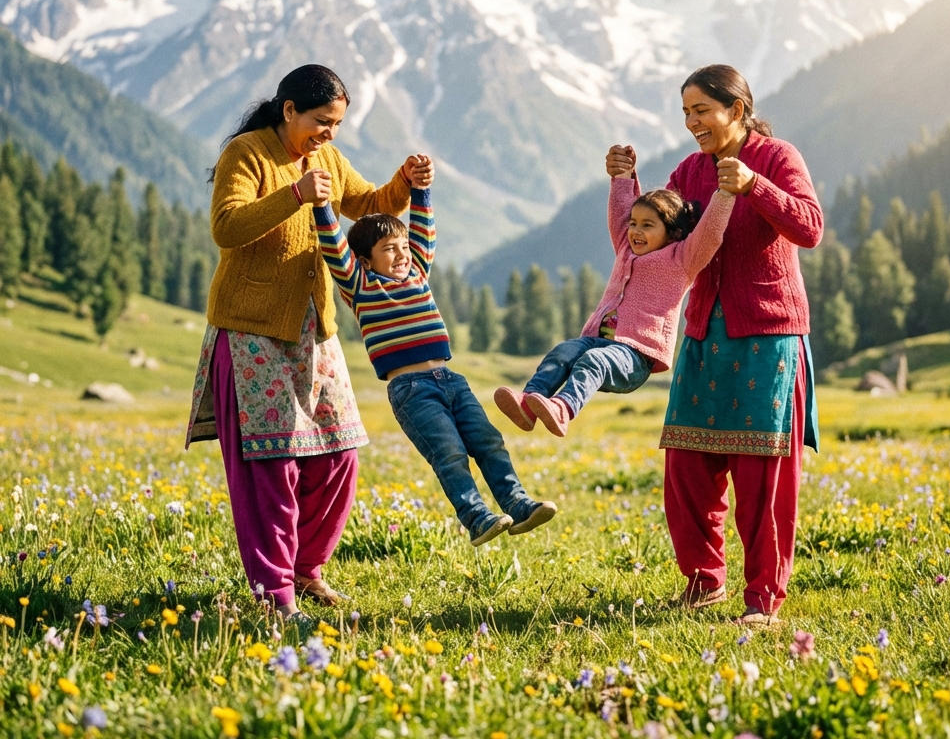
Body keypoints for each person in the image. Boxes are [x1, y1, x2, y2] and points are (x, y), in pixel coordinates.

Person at [186, 63, 432, 624]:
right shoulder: (246, 154)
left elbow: (368, 204)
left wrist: (406, 182)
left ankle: (304, 567)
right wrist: (294, 194)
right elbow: (226, 227)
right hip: (251, 329)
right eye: (323, 122)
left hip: (314, 327)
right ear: (289, 109)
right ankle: (274, 595)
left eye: (338, 125)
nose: (330, 134)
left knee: (339, 454)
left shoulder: (324, 156)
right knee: (272, 464)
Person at [606, 64, 822, 626]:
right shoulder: (688, 172)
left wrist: (754, 185)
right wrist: (625, 186)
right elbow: (648, 244)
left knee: (761, 474)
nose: (692, 122)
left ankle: (763, 599)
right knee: (687, 465)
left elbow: (810, 227)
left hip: (769, 333)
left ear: (737, 108)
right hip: (702, 330)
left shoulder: (777, 158)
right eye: (685, 112)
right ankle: (704, 583)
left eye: (701, 110)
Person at [313, 181, 557, 547]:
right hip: (411, 390)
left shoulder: (418, 273)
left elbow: (423, 231)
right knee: (450, 453)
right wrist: (321, 206)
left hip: (451, 379)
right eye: (388, 249)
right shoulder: (360, 283)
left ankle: (517, 504)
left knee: (488, 441)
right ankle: (477, 517)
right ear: (365, 260)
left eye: (402, 246)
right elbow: (334, 246)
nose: (401, 254)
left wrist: (421, 190)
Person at [493, 167, 735, 437]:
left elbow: (710, 235)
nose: (635, 230)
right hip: (598, 340)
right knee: (564, 351)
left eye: (647, 225)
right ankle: (529, 403)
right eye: (634, 223)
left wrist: (725, 194)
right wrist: (622, 175)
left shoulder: (682, 259)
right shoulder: (625, 248)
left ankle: (562, 409)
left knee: (594, 361)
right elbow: (619, 212)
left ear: (674, 232)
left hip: (636, 357)